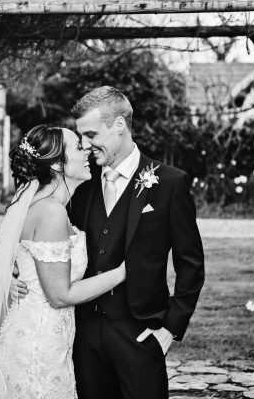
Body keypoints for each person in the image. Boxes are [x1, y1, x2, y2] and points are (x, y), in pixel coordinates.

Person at [0, 124, 126, 399]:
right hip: (38, 346)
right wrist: (122, 273)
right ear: (59, 164)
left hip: (46, 340)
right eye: (79, 147)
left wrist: (11, 276)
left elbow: (19, 259)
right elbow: (60, 295)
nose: (87, 151)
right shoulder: (50, 212)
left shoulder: (38, 203)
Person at [70, 86, 205, 399]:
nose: (85, 145)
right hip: (85, 331)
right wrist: (20, 275)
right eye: (81, 137)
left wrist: (170, 330)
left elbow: (191, 263)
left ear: (119, 125)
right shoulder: (81, 184)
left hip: (140, 332)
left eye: (91, 134)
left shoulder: (170, 182)